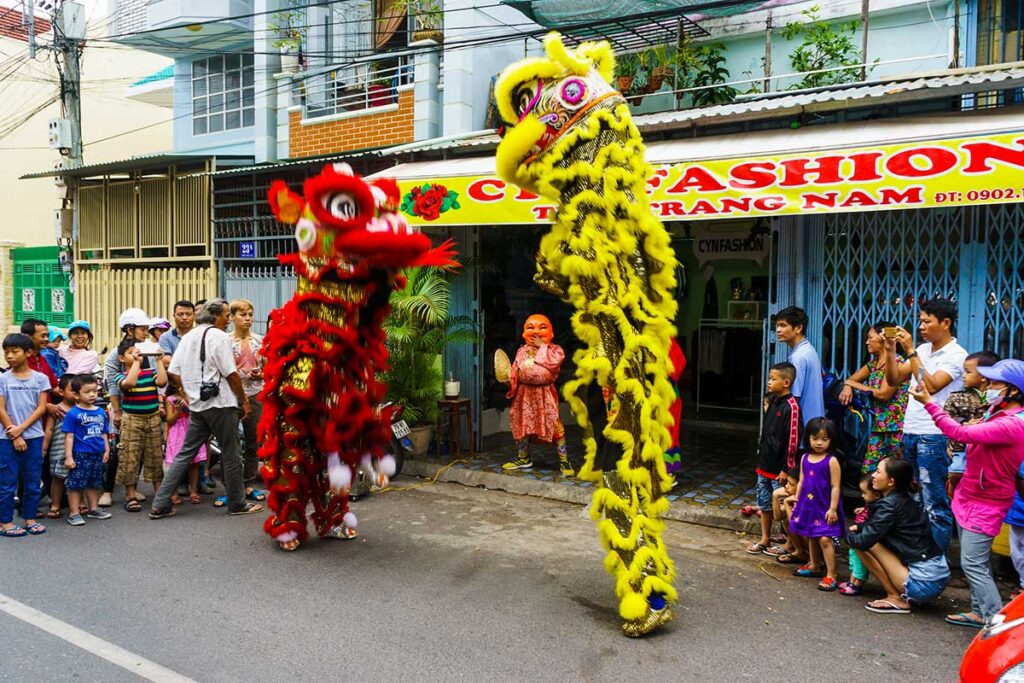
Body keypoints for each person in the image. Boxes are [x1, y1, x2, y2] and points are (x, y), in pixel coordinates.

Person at [910, 358, 1024, 627]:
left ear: (1014, 391)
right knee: (976, 563)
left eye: (995, 383)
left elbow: (958, 433)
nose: (988, 385)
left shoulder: (1012, 424)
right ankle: (977, 610)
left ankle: (995, 625)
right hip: (971, 494)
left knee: (973, 565)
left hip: (986, 501)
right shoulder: (998, 413)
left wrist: (928, 402)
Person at [149, 299, 262, 519]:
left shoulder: (190, 336)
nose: (229, 319)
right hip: (221, 404)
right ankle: (237, 503)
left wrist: (185, 391)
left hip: (198, 405)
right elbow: (231, 373)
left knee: (185, 453)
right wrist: (244, 400)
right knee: (232, 453)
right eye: (227, 315)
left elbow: (173, 369)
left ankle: (159, 503)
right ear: (216, 315)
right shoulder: (219, 337)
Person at [883, 297, 968, 552]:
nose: (920, 326)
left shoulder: (956, 355)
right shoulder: (922, 350)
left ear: (945, 323)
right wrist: (890, 351)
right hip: (911, 430)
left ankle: (936, 562)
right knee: (914, 498)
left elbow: (930, 385)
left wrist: (910, 350)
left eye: (926, 321)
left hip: (935, 435)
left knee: (934, 502)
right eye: (920, 321)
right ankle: (917, 553)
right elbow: (894, 377)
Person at [848, 457, 950, 614]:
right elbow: (880, 527)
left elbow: (863, 541)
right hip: (935, 577)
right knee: (866, 538)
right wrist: (860, 526)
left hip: (923, 584)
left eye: (878, 471)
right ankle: (899, 595)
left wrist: (843, 532)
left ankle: (895, 597)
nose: (873, 475)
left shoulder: (889, 504)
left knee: (864, 545)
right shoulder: (902, 499)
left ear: (891, 482)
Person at [501, 314, 573, 476]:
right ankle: (523, 458)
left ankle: (564, 461)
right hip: (524, 395)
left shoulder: (555, 351)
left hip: (544, 394)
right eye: (530, 327)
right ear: (524, 332)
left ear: (551, 332)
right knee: (522, 425)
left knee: (555, 426)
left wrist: (542, 347)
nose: (536, 332)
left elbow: (553, 365)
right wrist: (510, 380)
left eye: (542, 327)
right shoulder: (522, 351)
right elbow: (515, 371)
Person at [746, 362, 801, 555]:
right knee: (765, 503)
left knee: (784, 507)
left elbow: (792, 440)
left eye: (773, 379)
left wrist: (787, 468)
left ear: (786, 382)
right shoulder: (773, 402)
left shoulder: (791, 407)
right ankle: (765, 538)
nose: (769, 382)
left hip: (780, 469)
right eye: (769, 378)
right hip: (765, 465)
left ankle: (789, 543)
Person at [839, 321, 909, 472]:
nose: (867, 342)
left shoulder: (896, 362)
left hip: (897, 429)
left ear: (883, 338)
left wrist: (855, 385)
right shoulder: (873, 364)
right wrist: (848, 386)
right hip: (879, 428)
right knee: (869, 472)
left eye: (870, 338)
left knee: (896, 474)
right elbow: (851, 379)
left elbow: (884, 394)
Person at [0, 333, 51, 537]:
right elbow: (1, 409)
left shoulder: (40, 378)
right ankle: (5, 522)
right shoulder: (3, 378)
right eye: (6, 352)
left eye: (14, 351)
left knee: (32, 480)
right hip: (6, 437)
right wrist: (14, 432)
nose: (9, 356)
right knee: (7, 482)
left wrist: (22, 429)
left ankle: (30, 518)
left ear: (28, 352)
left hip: (34, 436)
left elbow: (41, 408)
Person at [100, 307, 152, 508]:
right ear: (129, 329)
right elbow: (112, 384)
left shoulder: (146, 350)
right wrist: (118, 412)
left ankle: (133, 487)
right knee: (118, 450)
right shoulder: (117, 354)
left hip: (143, 406)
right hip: (122, 407)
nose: (145, 332)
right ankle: (107, 490)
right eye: (142, 328)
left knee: (137, 450)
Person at [788, 416, 844, 591]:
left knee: (825, 538)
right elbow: (802, 481)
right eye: (815, 438)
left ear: (831, 440)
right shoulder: (805, 457)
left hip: (825, 506)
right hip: (808, 505)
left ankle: (831, 574)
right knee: (811, 534)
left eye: (824, 439)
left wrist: (833, 508)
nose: (819, 443)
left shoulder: (832, 461)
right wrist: (798, 500)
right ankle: (814, 565)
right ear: (808, 438)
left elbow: (836, 486)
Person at [114, 339, 167, 512]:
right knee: (130, 457)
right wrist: (136, 362)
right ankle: (130, 495)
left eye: (139, 352)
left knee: (155, 456)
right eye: (132, 353)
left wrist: (159, 360)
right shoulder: (120, 376)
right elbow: (129, 384)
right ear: (122, 358)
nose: (137, 355)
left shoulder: (150, 372)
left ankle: (160, 494)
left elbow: (162, 382)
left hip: (152, 418)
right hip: (131, 420)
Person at [944, 351, 1000, 497]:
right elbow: (947, 421)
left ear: (983, 377)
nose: (963, 376)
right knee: (957, 471)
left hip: (988, 451)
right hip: (961, 448)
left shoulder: (997, 399)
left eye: (968, 372)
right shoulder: (957, 398)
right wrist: (965, 426)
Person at [228, 299, 266, 502]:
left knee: (254, 441)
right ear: (232, 317)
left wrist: (261, 375)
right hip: (231, 396)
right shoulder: (226, 341)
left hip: (256, 394)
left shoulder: (260, 341)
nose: (248, 319)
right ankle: (232, 487)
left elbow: (269, 367)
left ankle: (249, 483)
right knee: (231, 444)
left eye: (250, 315)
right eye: (243, 315)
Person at [62, 375, 111, 527]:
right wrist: (68, 457)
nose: (92, 395)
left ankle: (93, 508)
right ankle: (74, 513)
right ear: (76, 395)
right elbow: (69, 436)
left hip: (97, 453)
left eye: (94, 391)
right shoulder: (72, 414)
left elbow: (104, 432)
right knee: (75, 484)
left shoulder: (101, 412)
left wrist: (106, 448)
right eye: (87, 392)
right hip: (80, 454)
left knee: (94, 482)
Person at [775, 306, 824, 425]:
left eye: (783, 325)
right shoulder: (808, 350)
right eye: (777, 325)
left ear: (798, 328)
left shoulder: (798, 357)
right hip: (813, 422)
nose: (778, 330)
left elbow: (793, 397)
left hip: (803, 423)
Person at [164, 379, 206, 506]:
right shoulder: (170, 399)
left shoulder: (192, 397)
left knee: (194, 463)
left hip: (191, 428)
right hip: (177, 433)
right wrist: (177, 410)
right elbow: (169, 420)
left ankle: (193, 491)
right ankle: (174, 492)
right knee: (177, 464)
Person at [42, 374, 77, 519]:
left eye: (78, 390)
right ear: (61, 392)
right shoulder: (57, 410)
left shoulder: (83, 409)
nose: (76, 393)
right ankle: (55, 504)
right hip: (58, 450)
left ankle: (79, 503)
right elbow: (49, 430)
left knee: (79, 479)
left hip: (79, 451)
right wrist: (44, 448)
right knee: (58, 479)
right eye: (72, 390)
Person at [839, 474, 880, 596]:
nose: (862, 496)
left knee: (859, 562)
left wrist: (858, 526)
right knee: (853, 558)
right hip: (858, 536)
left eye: (865, 493)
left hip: (863, 537)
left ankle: (856, 584)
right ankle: (851, 581)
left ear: (876, 495)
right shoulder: (870, 505)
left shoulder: (878, 508)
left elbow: (872, 523)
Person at [19, 318, 58, 393]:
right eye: (43, 336)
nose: (47, 339)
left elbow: (53, 386)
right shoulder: (21, 361)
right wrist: (46, 404)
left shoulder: (42, 358)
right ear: (28, 337)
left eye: (47, 335)